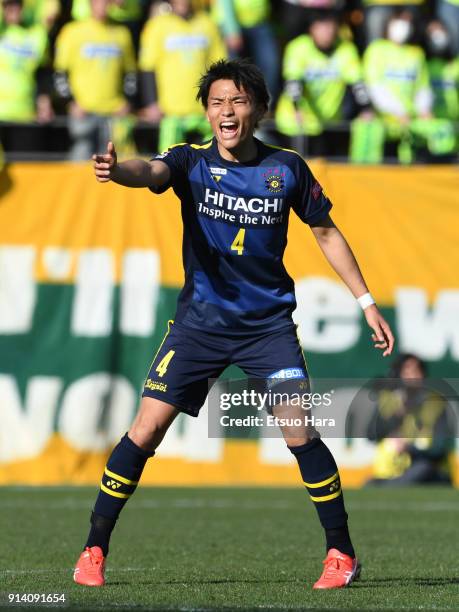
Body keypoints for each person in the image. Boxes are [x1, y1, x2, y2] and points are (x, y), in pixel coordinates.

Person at [73, 59, 394, 591]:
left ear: (259, 111)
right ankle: (94, 549)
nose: (227, 111)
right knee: (145, 429)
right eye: (218, 101)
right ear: (206, 111)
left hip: (268, 328)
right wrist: (115, 171)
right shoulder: (189, 162)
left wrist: (365, 301)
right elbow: (149, 172)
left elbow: (327, 232)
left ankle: (341, 554)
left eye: (239, 101)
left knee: (299, 429)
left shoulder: (287, 169)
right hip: (198, 326)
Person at [275, 10, 372, 157]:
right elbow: (293, 81)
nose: (327, 32)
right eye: (321, 27)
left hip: (329, 123)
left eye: (330, 27)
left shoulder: (345, 49)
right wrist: (297, 106)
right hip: (296, 123)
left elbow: (357, 83)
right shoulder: (298, 47)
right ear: (312, 29)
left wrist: (366, 109)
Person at [138, 0, 225, 153]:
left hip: (202, 113)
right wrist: (152, 102)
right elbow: (147, 67)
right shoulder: (157, 25)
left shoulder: (208, 24)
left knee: (207, 167)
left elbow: (219, 68)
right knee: (170, 169)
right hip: (171, 114)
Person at [54, 0, 137, 160]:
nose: (103, 5)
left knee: (114, 164)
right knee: (80, 161)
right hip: (83, 112)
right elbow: (60, 73)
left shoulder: (121, 32)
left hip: (114, 112)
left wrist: (127, 101)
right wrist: (70, 102)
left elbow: (130, 73)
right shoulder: (72, 31)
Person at [366, 354, 456, 486]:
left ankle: (386, 486)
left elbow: (439, 450)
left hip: (432, 474)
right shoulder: (388, 402)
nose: (412, 377)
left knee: (423, 469)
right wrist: (397, 415)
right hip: (391, 473)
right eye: (406, 372)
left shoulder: (436, 404)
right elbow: (371, 435)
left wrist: (409, 448)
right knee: (371, 483)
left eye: (416, 371)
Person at [0, 0, 53, 153]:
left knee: (23, 169)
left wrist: (44, 100)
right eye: (8, 6)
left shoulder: (37, 34)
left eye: (17, 5)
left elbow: (42, 73)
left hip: (25, 113)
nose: (13, 10)